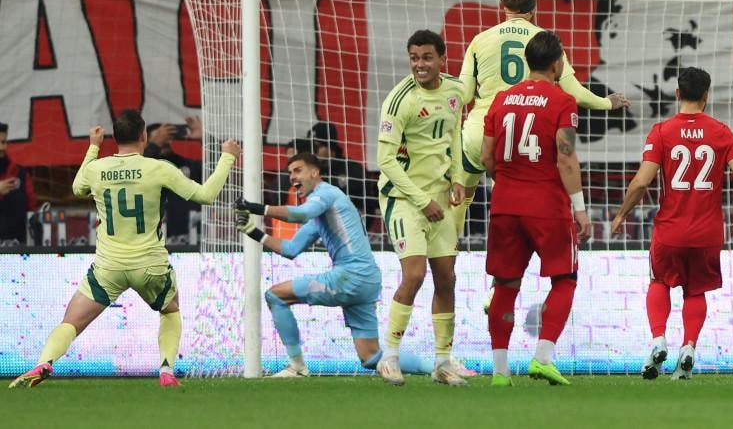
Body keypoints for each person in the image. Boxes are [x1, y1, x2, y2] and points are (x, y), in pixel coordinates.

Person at [9, 110, 240, 389]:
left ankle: (44, 362)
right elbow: (205, 195)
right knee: (170, 311)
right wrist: (227, 157)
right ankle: (166, 369)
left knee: (71, 321)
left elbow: (78, 187)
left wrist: (93, 147)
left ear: (114, 138)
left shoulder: (97, 168)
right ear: (144, 136)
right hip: (150, 265)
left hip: (109, 267)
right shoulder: (160, 168)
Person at [455, 0, 629, 241]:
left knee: (460, 200)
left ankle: (449, 251)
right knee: (510, 209)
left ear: (503, 4)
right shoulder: (545, 42)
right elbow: (574, 92)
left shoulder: (480, 40)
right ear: (535, 5)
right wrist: (607, 102)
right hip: (520, 136)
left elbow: (464, 93)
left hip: (479, 132)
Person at [609, 67, 733, 380]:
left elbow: (641, 182)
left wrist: (621, 214)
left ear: (677, 93)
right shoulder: (721, 132)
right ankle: (688, 347)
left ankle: (658, 340)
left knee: (659, 282)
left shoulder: (662, 132)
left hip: (670, 230)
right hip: (707, 232)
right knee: (695, 290)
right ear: (706, 95)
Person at [482, 30, 588, 387]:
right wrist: (580, 208)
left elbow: (485, 156)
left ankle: (500, 373)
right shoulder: (562, 102)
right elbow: (566, 158)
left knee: (505, 285)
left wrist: (508, 182)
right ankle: (542, 358)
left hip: (504, 205)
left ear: (528, 62)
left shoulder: (501, 99)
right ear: (557, 64)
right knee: (565, 278)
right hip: (547, 206)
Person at [374, 30, 470, 387]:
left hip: (440, 199)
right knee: (414, 275)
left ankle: (443, 362)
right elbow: (385, 160)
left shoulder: (456, 91)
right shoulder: (400, 100)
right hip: (404, 199)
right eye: (414, 58)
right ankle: (389, 357)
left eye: (427, 57)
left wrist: (457, 178)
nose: (420, 65)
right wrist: (422, 200)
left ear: (443, 58)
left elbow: (454, 136)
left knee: (447, 278)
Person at [235, 152, 384, 379]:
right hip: (368, 279)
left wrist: (255, 207)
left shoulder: (326, 194)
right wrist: (253, 231)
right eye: (289, 173)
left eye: (298, 170)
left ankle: (297, 366)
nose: (292, 177)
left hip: (350, 276)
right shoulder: (324, 212)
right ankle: (434, 366)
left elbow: (300, 214)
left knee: (275, 296)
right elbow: (291, 249)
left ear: (314, 172)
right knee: (371, 357)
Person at [0, 121, 33, 243]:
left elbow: (31, 209)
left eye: (3, 142)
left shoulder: (21, 174)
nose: (1, 147)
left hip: (18, 247)